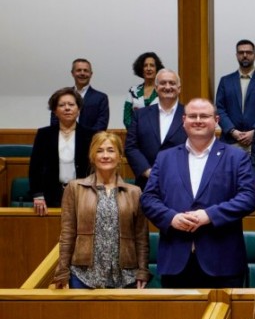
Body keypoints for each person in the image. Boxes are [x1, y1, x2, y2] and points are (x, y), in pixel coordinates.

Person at [140, 98, 255, 288]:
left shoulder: (237, 157)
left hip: (223, 263)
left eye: (204, 116)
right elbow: (148, 199)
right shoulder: (165, 158)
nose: (198, 120)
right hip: (176, 262)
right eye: (192, 116)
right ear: (183, 120)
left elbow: (248, 198)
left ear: (216, 120)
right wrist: (171, 218)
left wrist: (209, 215)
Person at [53, 132, 150, 289]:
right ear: (92, 156)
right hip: (83, 276)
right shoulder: (75, 188)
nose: (105, 156)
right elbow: (67, 234)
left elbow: (141, 237)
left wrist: (143, 271)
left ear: (120, 157)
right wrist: (62, 271)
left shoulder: (134, 192)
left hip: (126, 276)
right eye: (99, 151)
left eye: (111, 150)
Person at [30, 87, 95, 214]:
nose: (67, 108)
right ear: (55, 111)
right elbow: (35, 167)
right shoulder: (44, 134)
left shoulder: (90, 135)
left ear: (79, 109)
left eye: (71, 104)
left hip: (83, 194)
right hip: (50, 195)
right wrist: (38, 195)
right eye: (62, 105)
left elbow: (95, 168)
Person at [124, 69, 187, 190]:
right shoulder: (140, 115)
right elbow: (131, 147)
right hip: (146, 183)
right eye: (163, 83)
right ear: (156, 88)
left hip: (181, 183)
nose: (167, 87)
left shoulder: (190, 115)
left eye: (172, 83)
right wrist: (148, 172)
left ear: (179, 88)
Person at [215, 39, 255, 150]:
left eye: (249, 52)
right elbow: (219, 109)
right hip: (230, 141)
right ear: (237, 56)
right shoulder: (225, 81)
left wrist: (254, 132)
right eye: (241, 52)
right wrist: (232, 131)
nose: (245, 55)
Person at [51, 58, 109, 132]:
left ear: (91, 74)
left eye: (86, 70)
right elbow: (55, 120)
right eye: (79, 70)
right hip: (64, 137)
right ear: (72, 73)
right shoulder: (61, 96)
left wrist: (84, 137)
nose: (82, 73)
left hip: (90, 138)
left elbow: (101, 124)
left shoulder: (101, 98)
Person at [123, 52, 164, 128]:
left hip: (158, 133)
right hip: (136, 133)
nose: (148, 68)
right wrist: (136, 131)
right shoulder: (133, 91)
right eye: (145, 66)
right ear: (141, 69)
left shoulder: (163, 90)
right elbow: (127, 118)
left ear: (157, 69)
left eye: (152, 65)